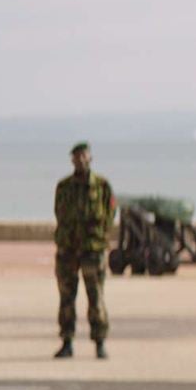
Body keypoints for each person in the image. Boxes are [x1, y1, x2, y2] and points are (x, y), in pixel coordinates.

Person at [53, 142, 116, 360]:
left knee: (96, 297)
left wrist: (100, 238)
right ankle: (67, 341)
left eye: (84, 155)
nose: (80, 159)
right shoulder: (64, 187)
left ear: (90, 158)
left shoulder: (101, 186)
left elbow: (110, 213)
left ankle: (99, 342)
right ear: (72, 159)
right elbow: (58, 214)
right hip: (68, 250)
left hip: (92, 250)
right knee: (66, 298)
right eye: (76, 156)